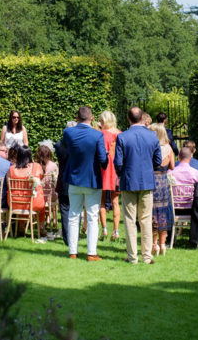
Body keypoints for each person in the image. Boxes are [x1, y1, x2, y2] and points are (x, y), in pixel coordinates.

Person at [115, 106, 162, 264]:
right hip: (147, 181)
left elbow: (118, 163)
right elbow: (157, 161)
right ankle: (147, 257)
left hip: (128, 181)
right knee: (146, 219)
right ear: (142, 118)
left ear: (129, 119)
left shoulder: (123, 137)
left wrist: (123, 173)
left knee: (129, 219)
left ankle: (132, 256)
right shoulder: (152, 136)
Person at [62, 106, 109, 261]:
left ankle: (73, 252)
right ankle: (91, 253)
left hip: (74, 179)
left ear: (77, 118)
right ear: (92, 118)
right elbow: (103, 159)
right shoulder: (97, 135)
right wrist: (106, 159)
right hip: (91, 180)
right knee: (92, 217)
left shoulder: (68, 132)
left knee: (73, 216)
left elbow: (63, 149)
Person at [6, 144, 46, 238]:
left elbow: (9, 186)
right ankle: (41, 227)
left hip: (14, 203)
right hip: (33, 203)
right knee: (40, 201)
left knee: (22, 199)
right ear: (30, 155)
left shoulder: (11, 169)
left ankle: (21, 226)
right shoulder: (36, 166)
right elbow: (41, 178)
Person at [150, 122, 175, 256]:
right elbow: (172, 166)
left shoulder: (151, 148)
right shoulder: (169, 148)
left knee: (153, 213)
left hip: (153, 180)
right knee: (163, 212)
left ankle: (154, 245)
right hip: (163, 181)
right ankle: (162, 244)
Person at [99, 110, 122, 241]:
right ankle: (116, 231)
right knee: (115, 202)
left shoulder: (101, 135)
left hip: (105, 169)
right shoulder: (120, 134)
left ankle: (104, 229)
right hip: (117, 170)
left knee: (102, 200)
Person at [36, 142, 59, 239]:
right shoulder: (53, 165)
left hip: (38, 197)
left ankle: (39, 224)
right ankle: (51, 221)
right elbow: (56, 182)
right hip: (51, 197)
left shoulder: (35, 165)